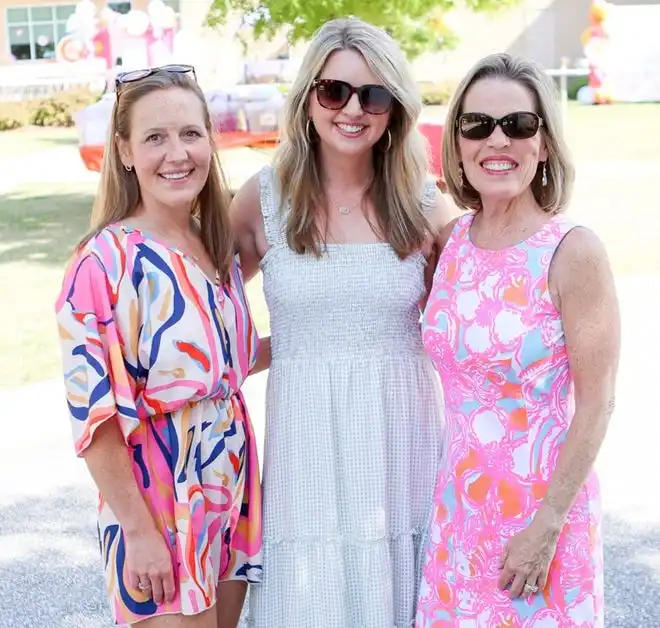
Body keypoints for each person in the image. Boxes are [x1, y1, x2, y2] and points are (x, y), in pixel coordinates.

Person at [231, 17, 452, 628]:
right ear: (308, 98)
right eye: (335, 91)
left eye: (374, 95)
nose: (353, 109)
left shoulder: (425, 205)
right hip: (305, 444)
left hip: (398, 445)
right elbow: (203, 309)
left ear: (395, 110)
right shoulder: (265, 198)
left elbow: (476, 316)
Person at [55, 65, 265, 628]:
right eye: (155, 137)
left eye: (190, 134)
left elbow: (228, 363)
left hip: (228, 488)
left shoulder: (213, 249)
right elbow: (93, 417)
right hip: (158, 500)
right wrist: (139, 532)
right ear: (123, 151)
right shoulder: (104, 263)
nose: (177, 153)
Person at [417, 52, 620, 626]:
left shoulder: (573, 251)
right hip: (457, 515)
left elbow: (598, 401)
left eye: (519, 125)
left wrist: (548, 523)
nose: (496, 141)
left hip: (541, 521)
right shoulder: (451, 242)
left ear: (545, 143)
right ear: (457, 142)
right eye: (477, 125)